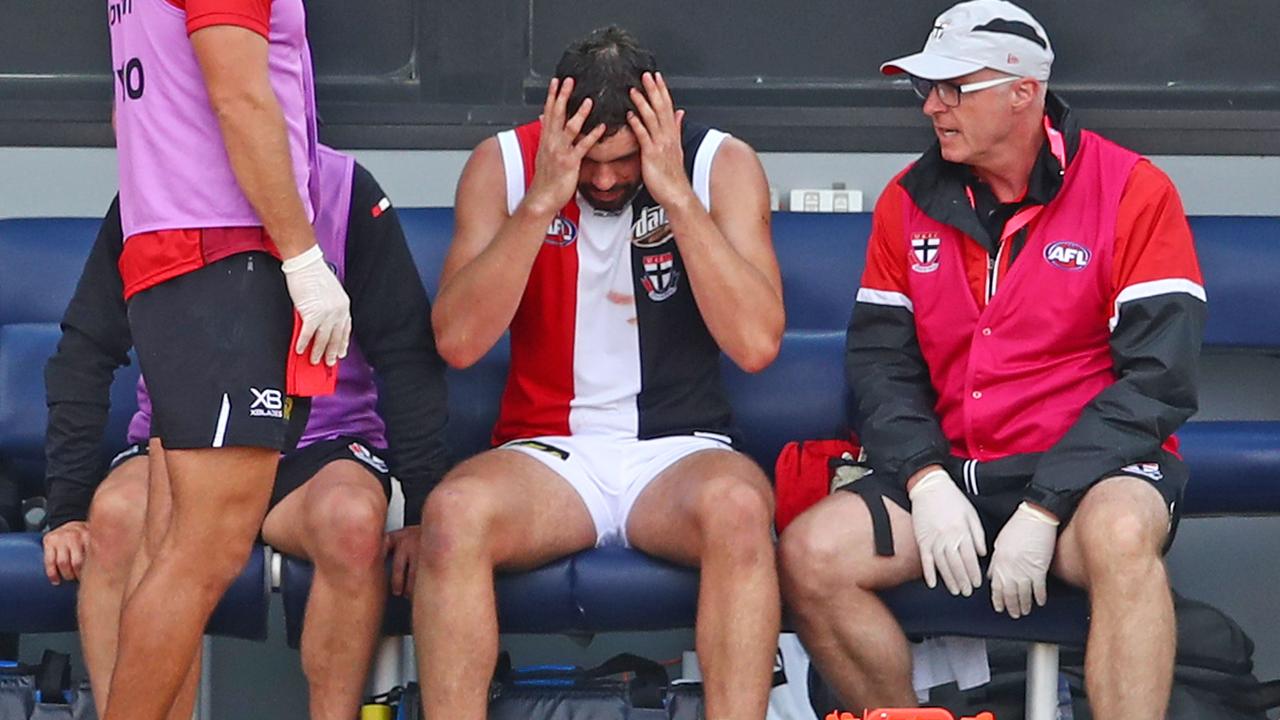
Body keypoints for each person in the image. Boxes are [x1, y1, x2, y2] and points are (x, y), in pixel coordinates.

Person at [778, 1, 1206, 717]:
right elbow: (880, 362)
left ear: (1023, 93)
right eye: (926, 89)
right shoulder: (907, 199)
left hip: (1088, 481)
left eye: (955, 88)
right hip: (955, 476)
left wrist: (1046, 505)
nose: (934, 108)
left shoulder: (1133, 190)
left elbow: (1160, 380)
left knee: (1125, 537)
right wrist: (924, 477)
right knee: (811, 554)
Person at [416, 25, 784, 720]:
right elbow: (458, 342)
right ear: (558, 127)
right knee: (451, 516)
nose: (609, 179)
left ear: (657, 125)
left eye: (624, 160)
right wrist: (542, 199)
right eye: (590, 163)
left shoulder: (717, 164)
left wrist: (674, 195)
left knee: (740, 511)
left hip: (679, 450)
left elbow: (758, 343)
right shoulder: (504, 164)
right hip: (547, 457)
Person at [41, 147, 447, 720]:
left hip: (315, 448)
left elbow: (406, 354)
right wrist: (66, 508)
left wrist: (422, 510)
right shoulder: (155, 192)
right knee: (115, 519)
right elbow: (85, 348)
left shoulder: (344, 187)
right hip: (186, 442)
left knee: (352, 522)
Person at [104, 0, 351, 717]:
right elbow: (239, 97)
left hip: (174, 251)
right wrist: (303, 258)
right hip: (222, 254)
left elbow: (134, 109)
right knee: (203, 552)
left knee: (176, 544)